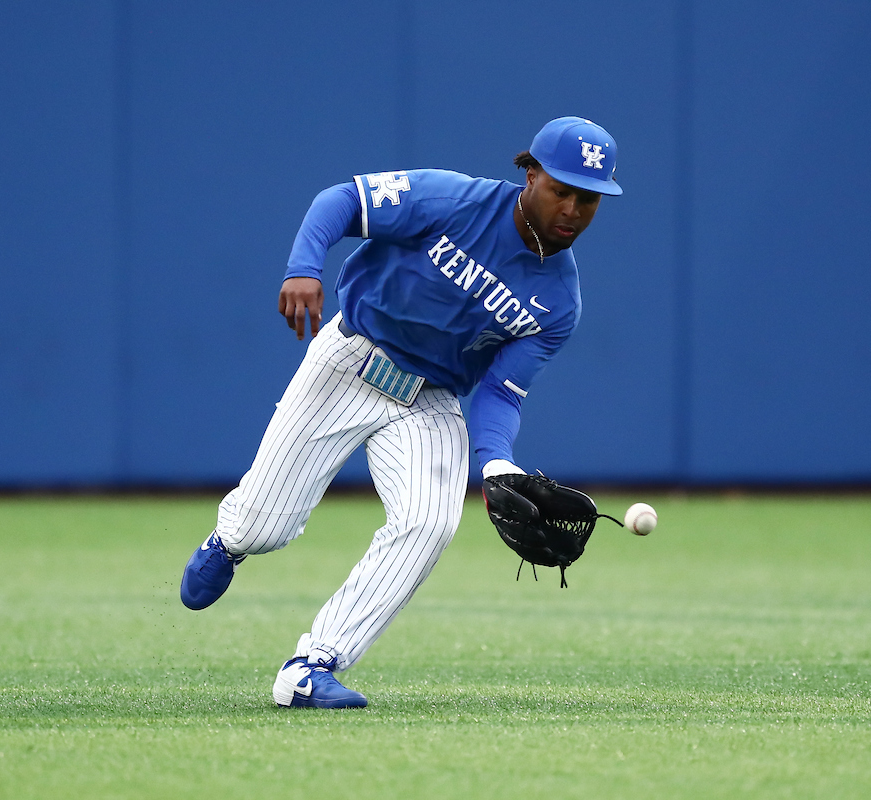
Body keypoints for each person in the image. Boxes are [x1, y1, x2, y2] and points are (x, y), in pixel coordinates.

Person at [179, 116, 622, 708]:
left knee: (429, 522)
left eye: (587, 197)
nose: (572, 207)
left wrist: (496, 467)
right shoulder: (453, 199)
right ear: (530, 175)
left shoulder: (559, 304)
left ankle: (311, 667)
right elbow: (341, 200)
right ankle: (229, 541)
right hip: (351, 359)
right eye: (560, 189)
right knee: (267, 526)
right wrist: (303, 267)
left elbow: (500, 393)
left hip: (430, 401)